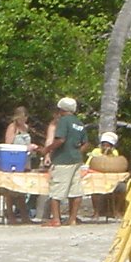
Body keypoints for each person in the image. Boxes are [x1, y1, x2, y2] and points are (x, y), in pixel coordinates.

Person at [40, 96, 87, 226]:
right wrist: (76, 152)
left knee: (56, 191)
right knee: (75, 190)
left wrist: (47, 149)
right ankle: (72, 219)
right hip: (77, 160)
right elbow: (85, 143)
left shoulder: (63, 121)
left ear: (61, 109)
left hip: (62, 160)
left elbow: (60, 140)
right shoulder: (79, 123)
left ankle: (56, 219)